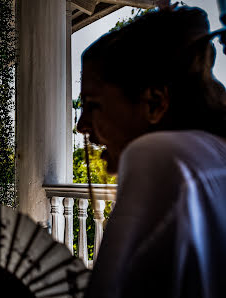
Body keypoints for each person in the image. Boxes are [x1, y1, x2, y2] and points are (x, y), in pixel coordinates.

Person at [76, 5, 226, 298]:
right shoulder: (214, 156)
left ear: (155, 103)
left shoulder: (161, 157)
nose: (82, 126)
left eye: (93, 105)